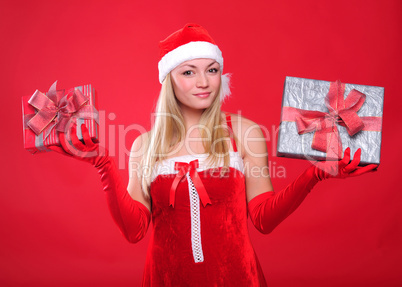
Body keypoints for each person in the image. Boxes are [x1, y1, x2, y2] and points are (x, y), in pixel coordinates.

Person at [50, 23, 377, 286]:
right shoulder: (144, 144)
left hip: (237, 278)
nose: (204, 82)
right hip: (166, 279)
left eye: (212, 69)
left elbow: (263, 219)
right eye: (189, 72)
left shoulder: (244, 133)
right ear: (169, 81)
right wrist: (103, 164)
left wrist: (315, 174)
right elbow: (135, 231)